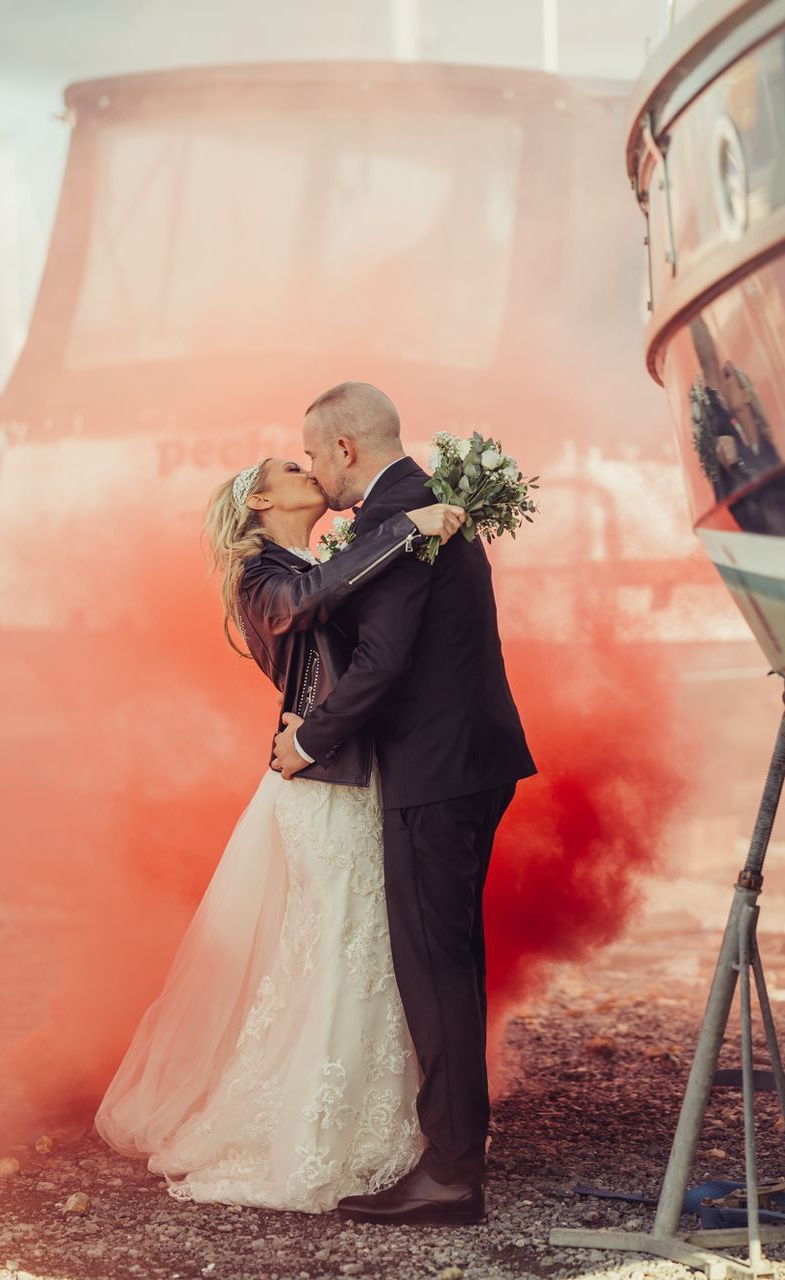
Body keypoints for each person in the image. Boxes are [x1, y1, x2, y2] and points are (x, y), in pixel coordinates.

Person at [94, 455, 466, 1214]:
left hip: (352, 777)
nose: (311, 470)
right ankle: (313, 1132)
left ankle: (379, 1123)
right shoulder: (262, 577)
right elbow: (310, 601)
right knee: (334, 946)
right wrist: (405, 527)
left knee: (362, 945)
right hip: (319, 789)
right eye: (293, 466)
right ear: (262, 498)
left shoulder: (316, 559)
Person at [271, 381, 536, 1227]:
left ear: (345, 448)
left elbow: (383, 663)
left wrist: (308, 741)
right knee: (448, 961)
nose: (314, 469)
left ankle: (453, 1175)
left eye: (314, 453)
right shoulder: (420, 509)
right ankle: (456, 1154)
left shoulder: (402, 524)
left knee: (435, 969)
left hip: (437, 770)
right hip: (465, 761)